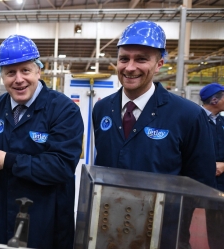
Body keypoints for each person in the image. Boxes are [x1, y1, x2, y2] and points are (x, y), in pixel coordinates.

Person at [0, 34, 84, 249]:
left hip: (46, 219)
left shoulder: (64, 110)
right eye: (11, 72)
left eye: (25, 70)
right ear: (2, 76)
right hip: (2, 215)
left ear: (38, 70)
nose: (18, 79)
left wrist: (8, 160)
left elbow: (61, 166)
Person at [92, 20, 216, 248]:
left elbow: (201, 185)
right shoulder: (102, 109)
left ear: (159, 63)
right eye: (124, 59)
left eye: (141, 59)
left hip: (163, 235)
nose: (130, 67)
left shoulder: (188, 115)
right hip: (109, 232)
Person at [199, 83, 224, 249]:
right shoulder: (195, 119)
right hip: (199, 180)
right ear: (215, 100)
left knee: (219, 221)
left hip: (221, 180)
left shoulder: (222, 121)